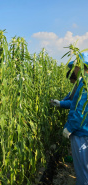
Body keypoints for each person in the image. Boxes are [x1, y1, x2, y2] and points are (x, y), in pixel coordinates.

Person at [62, 52, 88, 184]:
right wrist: (60, 103)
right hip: (84, 130)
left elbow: (81, 111)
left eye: (75, 67)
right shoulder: (83, 82)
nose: (73, 70)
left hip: (82, 132)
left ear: (82, 66)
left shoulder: (85, 84)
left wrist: (69, 128)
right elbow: (75, 103)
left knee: (83, 171)